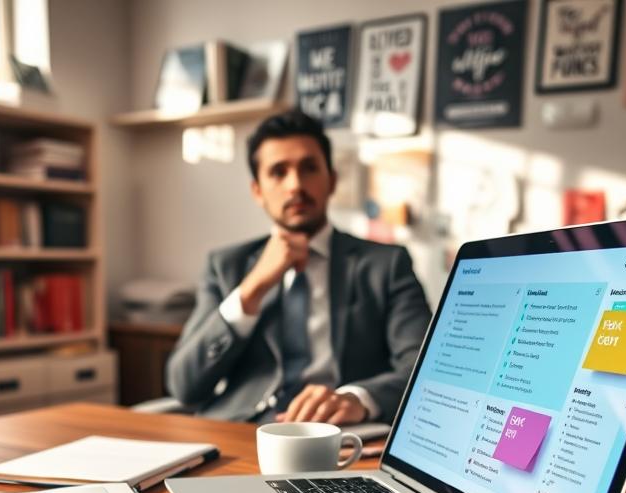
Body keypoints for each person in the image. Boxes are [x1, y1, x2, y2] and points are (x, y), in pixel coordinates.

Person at [166, 110, 431, 425]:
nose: (295, 185)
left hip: (338, 437)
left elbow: (422, 370)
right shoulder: (225, 266)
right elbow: (183, 386)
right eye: (278, 172)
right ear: (258, 191)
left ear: (331, 180)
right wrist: (252, 289)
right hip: (243, 433)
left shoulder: (386, 265)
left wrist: (358, 398)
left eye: (309, 168)